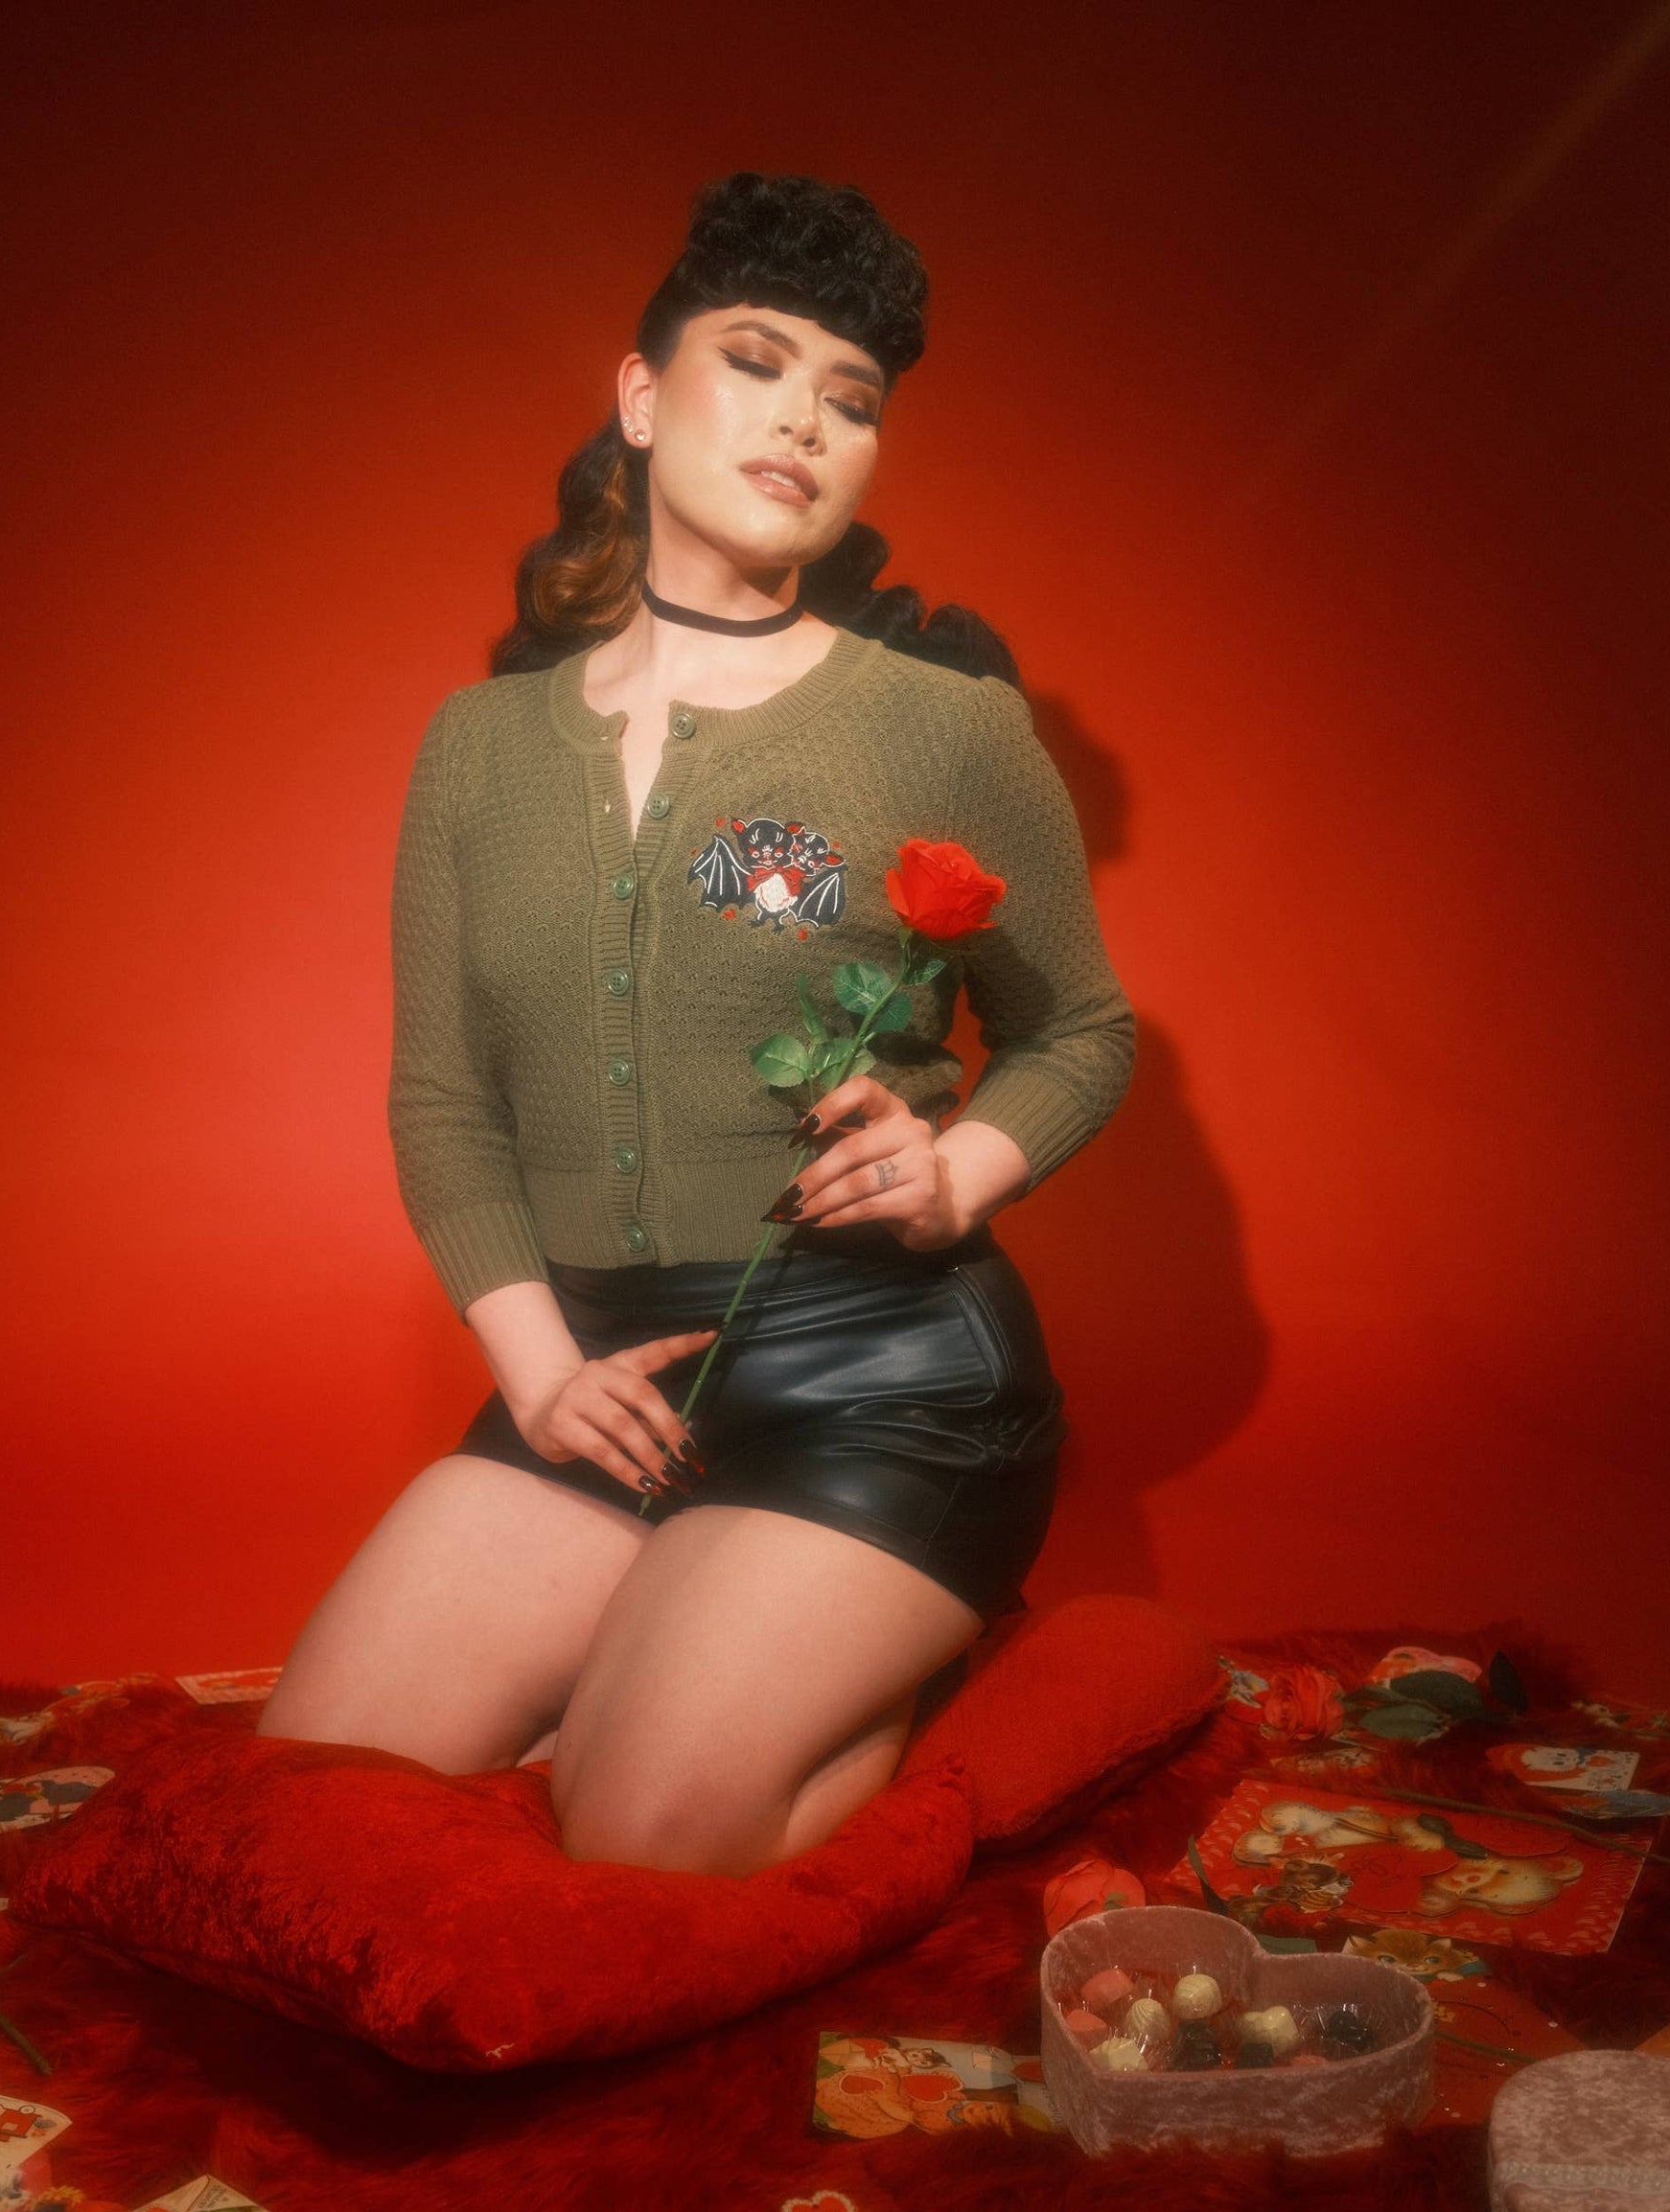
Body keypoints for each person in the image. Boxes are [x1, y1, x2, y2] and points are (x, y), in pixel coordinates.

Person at [259, 173, 1136, 1877]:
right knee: (302, 1818)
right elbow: (443, 1099)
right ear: (645, 398)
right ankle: (712, 1644)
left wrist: (958, 1170)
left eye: (852, 397)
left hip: (881, 1383)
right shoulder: (477, 747)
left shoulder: (943, 729)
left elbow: (1081, 1032)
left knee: (639, 1830)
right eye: (756, 363)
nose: (805, 417)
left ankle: (876, 1688)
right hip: (604, 1380)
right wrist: (538, 1379)